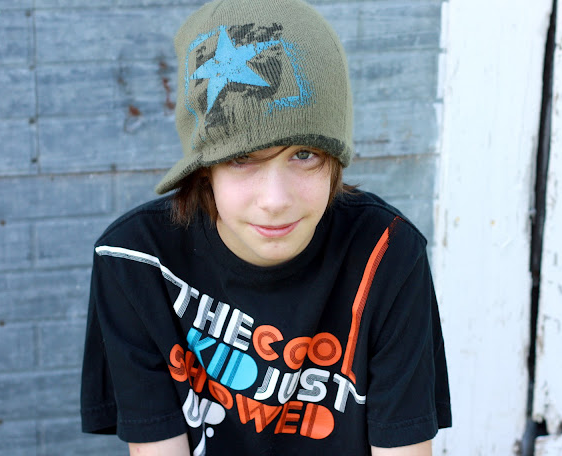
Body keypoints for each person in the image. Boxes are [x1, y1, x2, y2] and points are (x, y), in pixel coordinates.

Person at [80, 0, 451, 455]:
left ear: (335, 158)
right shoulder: (137, 262)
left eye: (304, 154)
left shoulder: (386, 253)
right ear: (204, 169)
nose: (275, 200)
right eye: (242, 158)